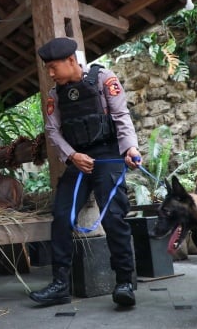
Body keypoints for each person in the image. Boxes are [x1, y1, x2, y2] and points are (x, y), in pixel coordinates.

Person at [29, 37, 142, 307]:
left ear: (71, 61)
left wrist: (130, 149)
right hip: (78, 160)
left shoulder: (104, 79)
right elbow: (53, 132)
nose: (51, 73)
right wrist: (72, 156)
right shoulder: (55, 96)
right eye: (48, 69)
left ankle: (124, 282)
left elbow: (121, 116)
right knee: (61, 215)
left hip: (107, 157)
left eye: (54, 67)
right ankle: (59, 285)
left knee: (114, 216)